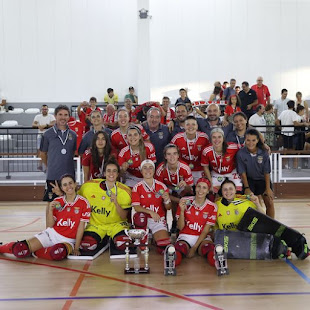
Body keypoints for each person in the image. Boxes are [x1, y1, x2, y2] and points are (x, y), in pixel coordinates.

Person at [0, 174, 90, 260]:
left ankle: (35, 252)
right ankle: (1, 247)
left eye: (70, 183)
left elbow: (81, 227)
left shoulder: (84, 203)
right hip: (51, 235)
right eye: (65, 185)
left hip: (69, 241)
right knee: (20, 249)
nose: (68, 186)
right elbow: (50, 226)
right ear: (62, 188)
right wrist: (50, 210)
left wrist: (76, 248)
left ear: (75, 184)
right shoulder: (57, 201)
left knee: (58, 252)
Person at [78, 159, 132, 256]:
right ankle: (103, 238)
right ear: (104, 173)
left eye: (114, 171)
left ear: (118, 173)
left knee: (123, 244)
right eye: (108, 171)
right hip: (96, 226)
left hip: (117, 225)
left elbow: (124, 216)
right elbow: (76, 200)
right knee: (87, 246)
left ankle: (112, 238)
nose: (111, 173)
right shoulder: (88, 187)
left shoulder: (125, 191)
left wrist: (116, 202)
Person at [40, 105, 77, 216]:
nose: (63, 117)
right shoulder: (47, 134)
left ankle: (67, 229)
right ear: (55, 116)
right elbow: (43, 154)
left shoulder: (73, 135)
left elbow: (72, 153)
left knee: (69, 203)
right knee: (51, 204)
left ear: (69, 117)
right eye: (60, 114)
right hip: (53, 175)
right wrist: (50, 166)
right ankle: (48, 230)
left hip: (69, 176)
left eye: (66, 115)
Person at [132, 160, 172, 254]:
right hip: (143, 220)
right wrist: (150, 212)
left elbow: (169, 207)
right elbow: (136, 207)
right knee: (143, 249)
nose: (147, 170)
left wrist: (166, 200)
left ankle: (153, 238)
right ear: (141, 171)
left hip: (158, 219)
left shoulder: (161, 186)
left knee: (163, 247)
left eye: (150, 167)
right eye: (144, 168)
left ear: (154, 171)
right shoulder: (137, 187)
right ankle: (145, 235)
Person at [174, 178, 217, 266]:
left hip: (202, 237)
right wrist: (182, 211)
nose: (201, 190)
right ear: (195, 188)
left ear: (208, 191)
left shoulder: (212, 206)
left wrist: (194, 248)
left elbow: (205, 231)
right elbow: (180, 227)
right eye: (199, 187)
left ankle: (219, 263)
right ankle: (171, 263)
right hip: (185, 236)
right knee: (180, 248)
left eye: (204, 188)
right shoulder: (185, 201)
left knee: (208, 248)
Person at [236, 128, 275, 218]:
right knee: (251, 203)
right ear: (244, 140)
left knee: (269, 201)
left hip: (262, 180)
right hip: (250, 181)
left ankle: (272, 226)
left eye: (253, 140)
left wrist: (268, 188)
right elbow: (243, 172)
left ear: (258, 140)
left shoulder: (264, 153)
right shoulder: (241, 153)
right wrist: (246, 187)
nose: (250, 143)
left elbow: (267, 171)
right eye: (248, 140)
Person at [155, 144, 194, 233]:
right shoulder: (161, 169)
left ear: (178, 155)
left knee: (187, 199)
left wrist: (185, 185)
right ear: (165, 156)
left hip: (181, 189)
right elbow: (160, 191)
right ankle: (167, 223)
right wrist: (177, 200)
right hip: (168, 188)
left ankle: (182, 223)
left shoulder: (185, 168)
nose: (172, 157)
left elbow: (190, 190)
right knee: (161, 199)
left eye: (174, 153)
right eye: (169, 154)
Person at [202, 128, 242, 194]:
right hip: (217, 172)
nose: (217, 140)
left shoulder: (232, 147)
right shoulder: (206, 151)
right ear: (211, 139)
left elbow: (246, 148)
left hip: (232, 171)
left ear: (223, 138)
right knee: (213, 192)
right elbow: (205, 167)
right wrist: (210, 181)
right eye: (214, 137)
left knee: (238, 191)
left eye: (219, 137)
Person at [171, 116, 209, 183]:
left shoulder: (204, 137)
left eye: (193, 124)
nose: (190, 127)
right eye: (188, 124)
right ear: (184, 126)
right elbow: (170, 153)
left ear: (197, 126)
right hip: (183, 170)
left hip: (200, 170)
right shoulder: (177, 138)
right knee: (184, 191)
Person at [32, 105, 56, 170]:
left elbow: (54, 123)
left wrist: (46, 125)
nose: (44, 110)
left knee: (48, 151)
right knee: (40, 150)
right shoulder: (38, 116)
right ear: (41, 110)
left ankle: (47, 166)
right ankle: (40, 165)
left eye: (45, 109)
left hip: (49, 136)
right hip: (40, 135)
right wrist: (39, 126)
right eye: (43, 109)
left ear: (47, 110)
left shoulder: (51, 116)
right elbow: (33, 124)